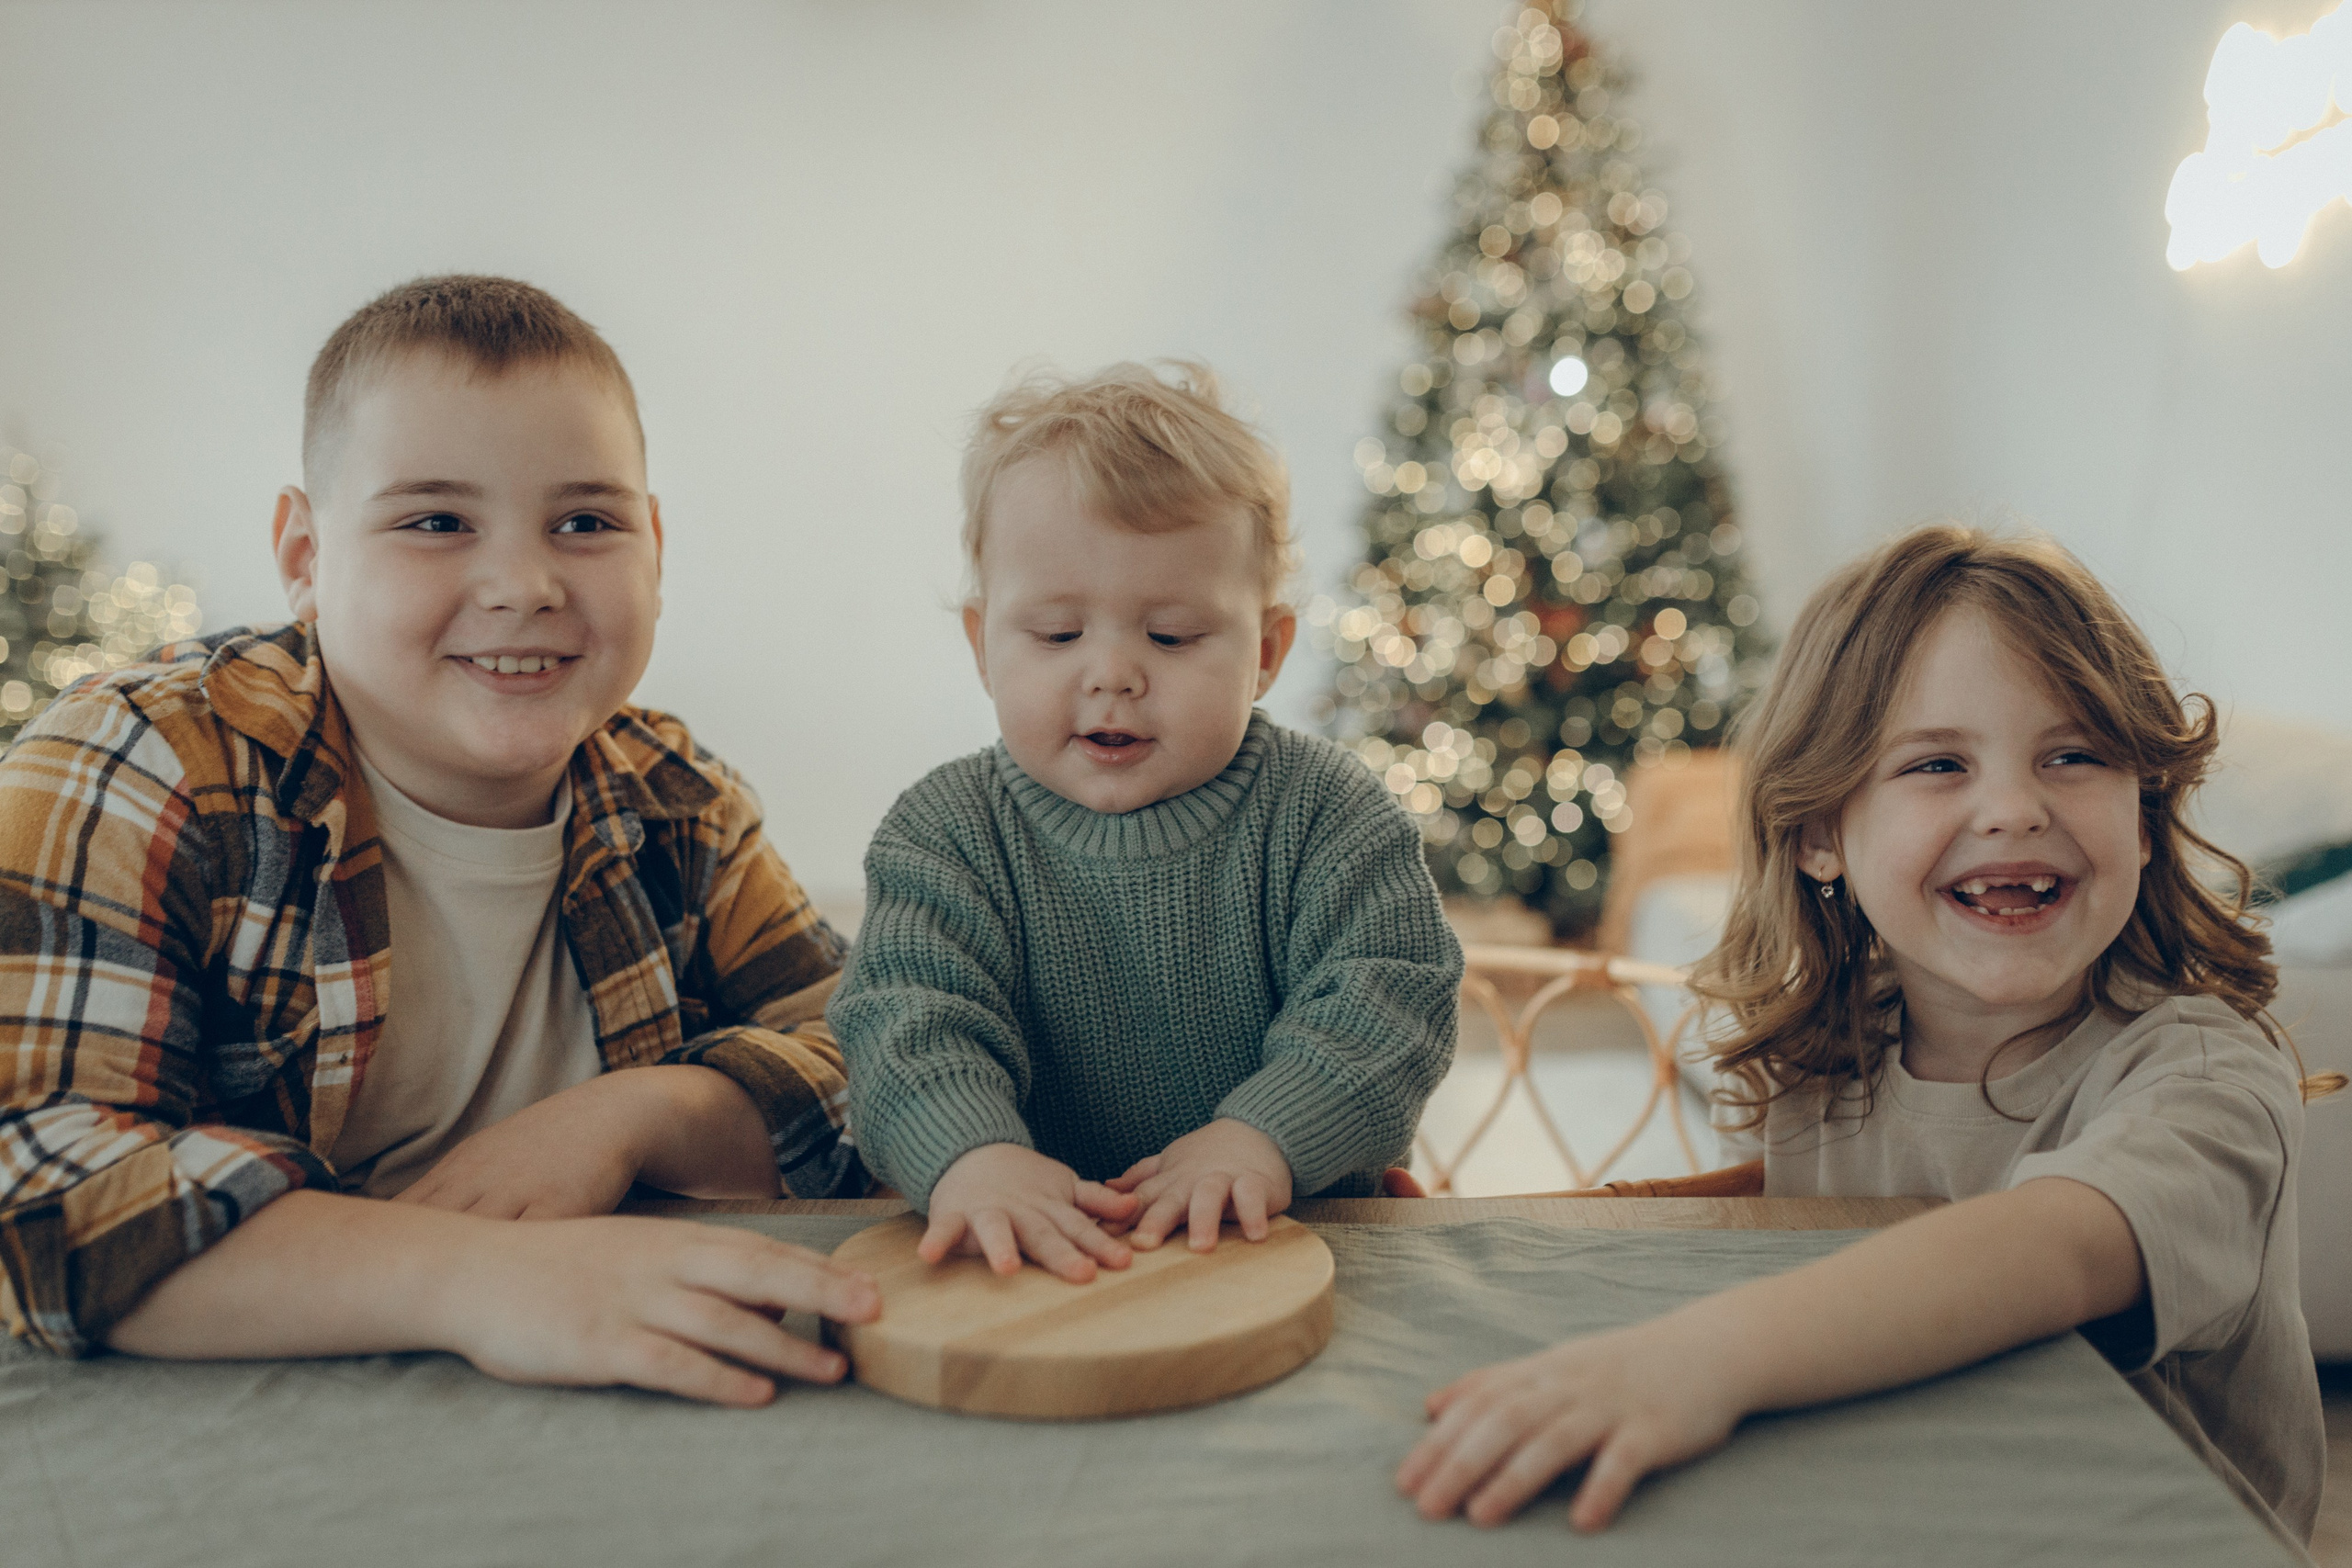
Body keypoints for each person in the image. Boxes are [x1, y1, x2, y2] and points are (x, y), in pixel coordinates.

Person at [0, 275, 881, 1404]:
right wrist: (481, 1279)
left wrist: (639, 1116)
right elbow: (37, 1189)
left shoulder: (677, 801)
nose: (524, 584)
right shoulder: (135, 763)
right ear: (306, 555)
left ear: (654, 544)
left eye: (585, 522)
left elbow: (882, 1058)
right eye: (435, 522)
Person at [1396, 525, 2337, 1551]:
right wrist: (1489, 1234)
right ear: (1818, 836)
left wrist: (1700, 1356)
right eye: (1937, 763)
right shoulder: (1840, 1044)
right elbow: (1816, 1208)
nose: (2015, 809)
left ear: (2145, 816)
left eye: (2074, 756)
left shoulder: (2202, 1073)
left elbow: (2051, 1249)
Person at [828, 362, 1461, 1282]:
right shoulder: (945, 833)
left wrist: (1262, 1138)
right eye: (1055, 635)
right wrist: (973, 1158)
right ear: (982, 645)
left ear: (1267, 653)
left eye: (1170, 636)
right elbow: (903, 1019)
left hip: (1283, 1237)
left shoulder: (1330, 815)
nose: (1112, 673)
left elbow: (1389, 1004)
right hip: (1027, 1253)